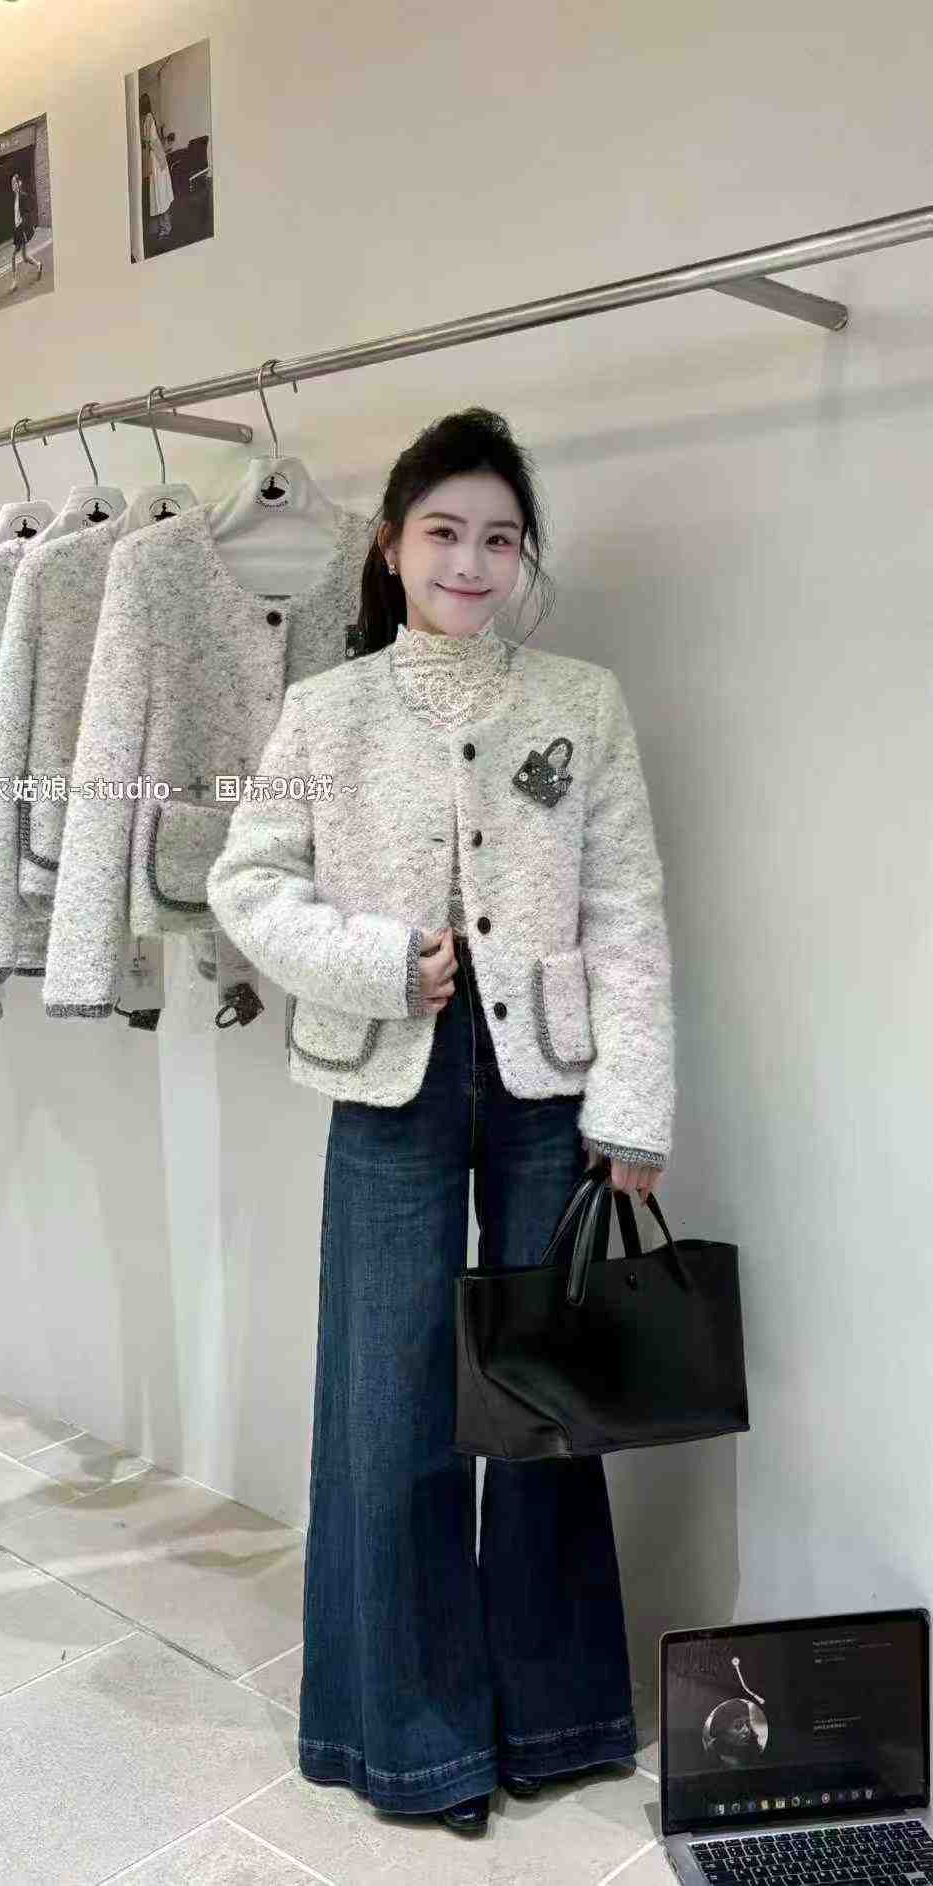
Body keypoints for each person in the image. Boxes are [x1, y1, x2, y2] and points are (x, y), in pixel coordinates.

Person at [207, 408, 676, 1837]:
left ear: (523, 555)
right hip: (389, 1077)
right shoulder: (327, 709)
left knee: (545, 1400)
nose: (471, 562)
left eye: (499, 538)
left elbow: (626, 909)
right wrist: (374, 961)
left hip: (548, 1086)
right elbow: (248, 882)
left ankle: (557, 1716)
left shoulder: (582, 699)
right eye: (445, 533)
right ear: (391, 545)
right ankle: (407, 1739)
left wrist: (632, 1105)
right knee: (388, 1398)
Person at [139, 91, 174, 244]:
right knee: (159, 195)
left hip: (157, 162)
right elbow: (152, 141)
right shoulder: (148, 119)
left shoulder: (148, 119)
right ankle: (162, 226)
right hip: (157, 161)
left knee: (161, 195)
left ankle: (166, 227)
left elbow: (152, 142)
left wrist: (161, 159)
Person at [9, 172, 43, 294]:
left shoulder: (23, 196)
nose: (12, 185)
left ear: (19, 183)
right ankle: (38, 265)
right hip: (18, 230)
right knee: (24, 257)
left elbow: (27, 213)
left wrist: (23, 228)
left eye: (14, 183)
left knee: (14, 255)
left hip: (22, 230)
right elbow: (16, 216)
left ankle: (14, 282)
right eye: (11, 183)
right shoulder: (15, 198)